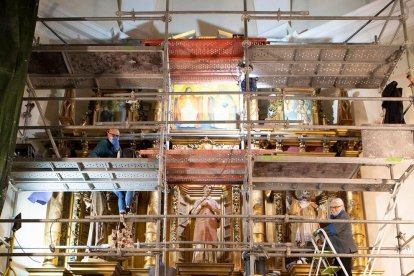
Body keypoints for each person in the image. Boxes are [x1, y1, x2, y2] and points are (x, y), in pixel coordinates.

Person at [90, 129, 135, 215]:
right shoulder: (104, 143)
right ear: (108, 134)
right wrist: (102, 165)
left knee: (121, 194)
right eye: (113, 135)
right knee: (131, 186)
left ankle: (123, 211)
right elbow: (93, 156)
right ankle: (128, 207)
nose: (115, 137)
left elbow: (118, 159)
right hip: (106, 175)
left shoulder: (117, 147)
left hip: (113, 177)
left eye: (117, 136)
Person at [322, 198, 357, 276]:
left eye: (336, 207)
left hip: (345, 249)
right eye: (331, 207)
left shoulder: (343, 216)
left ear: (342, 206)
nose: (333, 209)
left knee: (344, 272)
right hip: (339, 249)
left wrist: (320, 231)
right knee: (338, 272)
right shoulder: (335, 217)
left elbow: (332, 229)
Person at [190, 185, 221, 263]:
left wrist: (212, 207)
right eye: (207, 187)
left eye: (210, 188)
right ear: (203, 189)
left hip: (211, 225)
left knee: (210, 241)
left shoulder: (214, 202)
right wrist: (201, 205)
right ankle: (198, 260)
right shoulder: (198, 201)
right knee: (199, 241)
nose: (208, 189)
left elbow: (219, 216)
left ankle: (211, 260)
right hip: (200, 224)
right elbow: (193, 213)